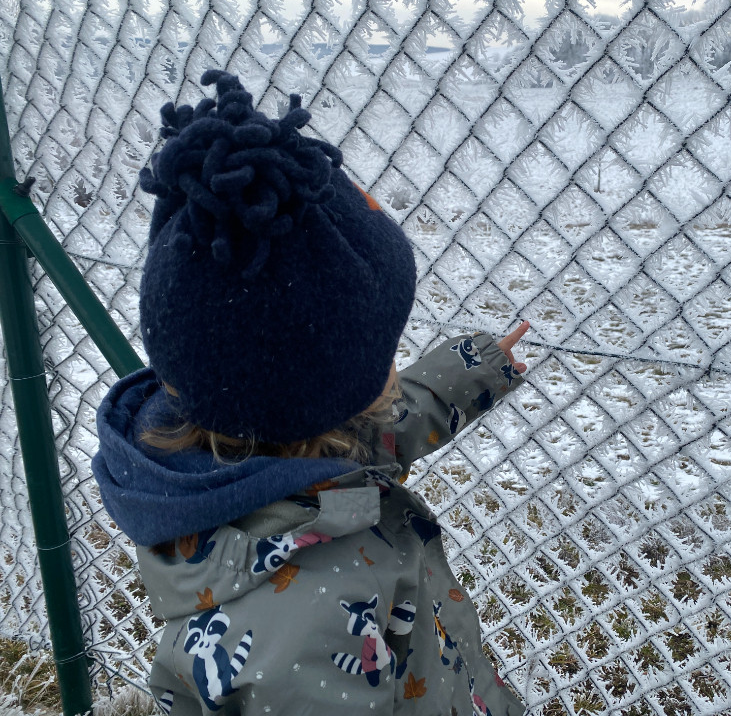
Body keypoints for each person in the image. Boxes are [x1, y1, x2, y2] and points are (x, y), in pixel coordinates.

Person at [92, 70, 529, 716]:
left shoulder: (232, 457)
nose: (392, 366)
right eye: (383, 351)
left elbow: (383, 431)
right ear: (326, 395)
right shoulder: (303, 633)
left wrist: (475, 367)